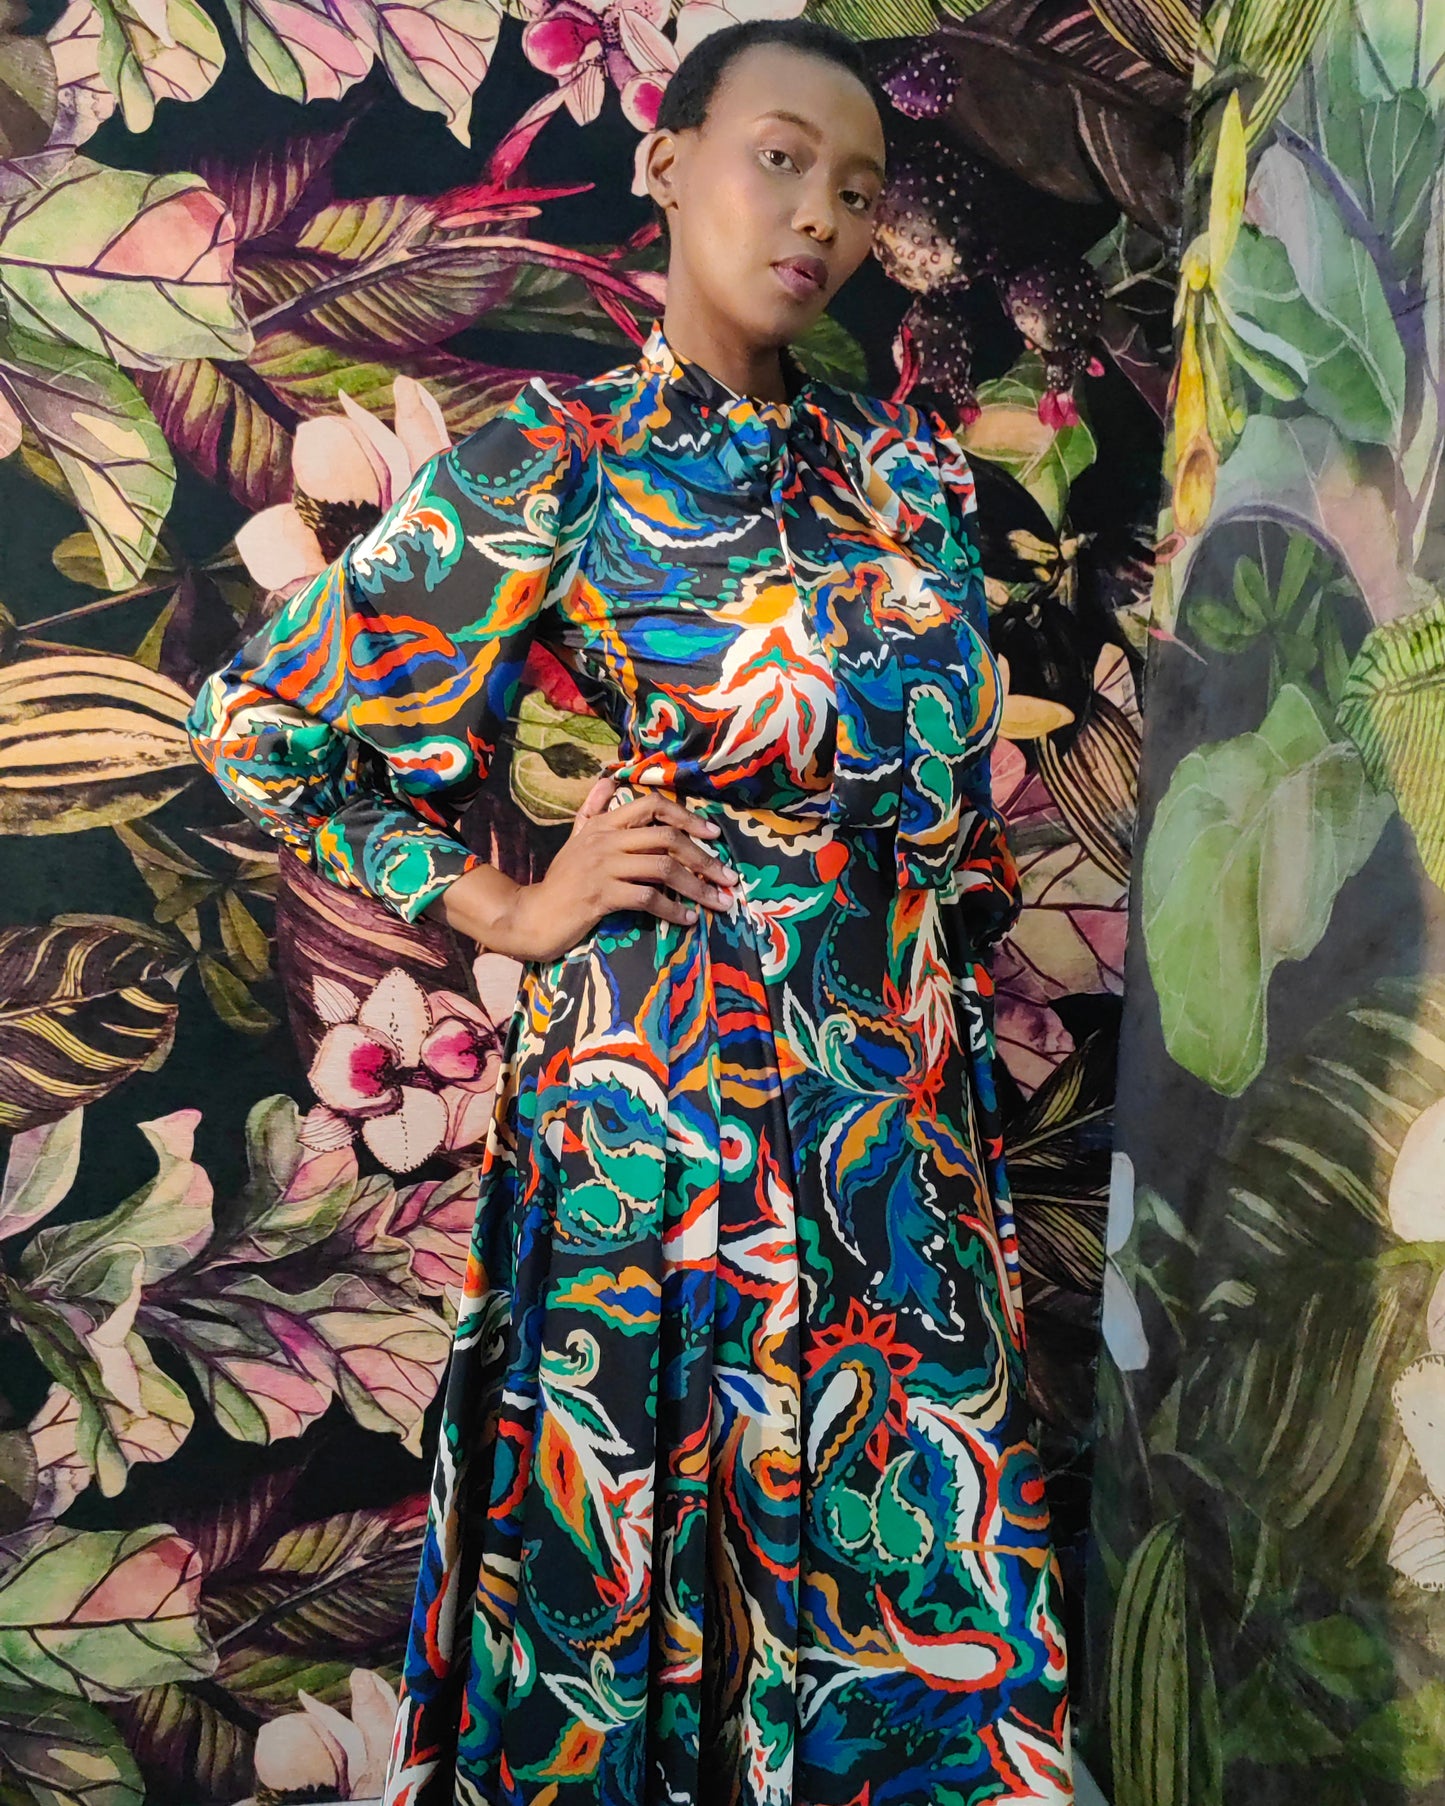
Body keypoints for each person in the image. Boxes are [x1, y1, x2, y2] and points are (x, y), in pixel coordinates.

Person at [188, 18, 1072, 1804]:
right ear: (667, 163)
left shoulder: (911, 479)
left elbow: (950, 833)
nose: (816, 215)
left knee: (925, 1614)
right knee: (635, 1617)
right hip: (661, 1124)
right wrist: (506, 907)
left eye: (856, 189)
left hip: (894, 1136)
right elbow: (266, 726)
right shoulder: (560, 454)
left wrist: (907, 1000)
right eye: (777, 158)